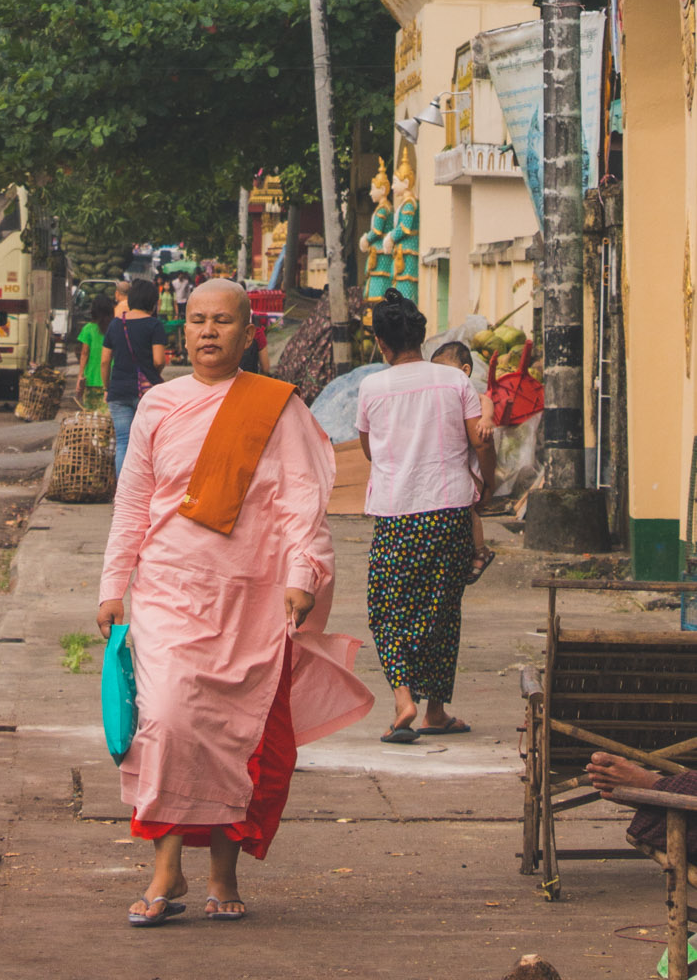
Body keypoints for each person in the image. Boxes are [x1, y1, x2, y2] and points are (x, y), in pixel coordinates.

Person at [96, 279, 372, 927]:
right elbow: (133, 501)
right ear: (181, 331)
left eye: (222, 321)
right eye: (196, 321)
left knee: (232, 736)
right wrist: (113, 586)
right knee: (163, 722)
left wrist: (303, 574)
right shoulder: (159, 405)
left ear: (249, 333)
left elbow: (303, 501)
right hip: (167, 590)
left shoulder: (276, 408)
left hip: (251, 596)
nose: (208, 332)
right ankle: (166, 869)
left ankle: (223, 872)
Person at [356, 289, 495, 743]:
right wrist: (484, 483)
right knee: (442, 611)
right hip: (451, 509)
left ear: (382, 343)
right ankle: (436, 709)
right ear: (420, 336)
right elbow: (481, 440)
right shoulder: (455, 382)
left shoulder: (372, 386)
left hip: (397, 513)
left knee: (386, 607)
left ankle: (403, 700)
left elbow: (369, 447)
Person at [432, 339, 498, 582]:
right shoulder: (444, 395)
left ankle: (481, 551)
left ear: (464, 372)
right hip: (460, 461)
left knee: (468, 509)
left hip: (473, 464)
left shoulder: (468, 391)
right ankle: (473, 550)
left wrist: (487, 420)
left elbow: (486, 401)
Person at [99, 279, 167, 475]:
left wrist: (106, 387)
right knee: (149, 443)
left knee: (123, 442)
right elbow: (158, 360)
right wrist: (154, 373)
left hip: (118, 391)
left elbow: (105, 361)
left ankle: (123, 494)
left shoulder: (115, 324)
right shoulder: (154, 325)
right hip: (148, 393)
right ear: (152, 302)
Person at [74, 293, 111, 410]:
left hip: (91, 379)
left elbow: (84, 353)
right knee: (106, 419)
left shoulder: (88, 329)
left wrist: (80, 375)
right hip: (109, 379)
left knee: (91, 418)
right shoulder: (113, 328)